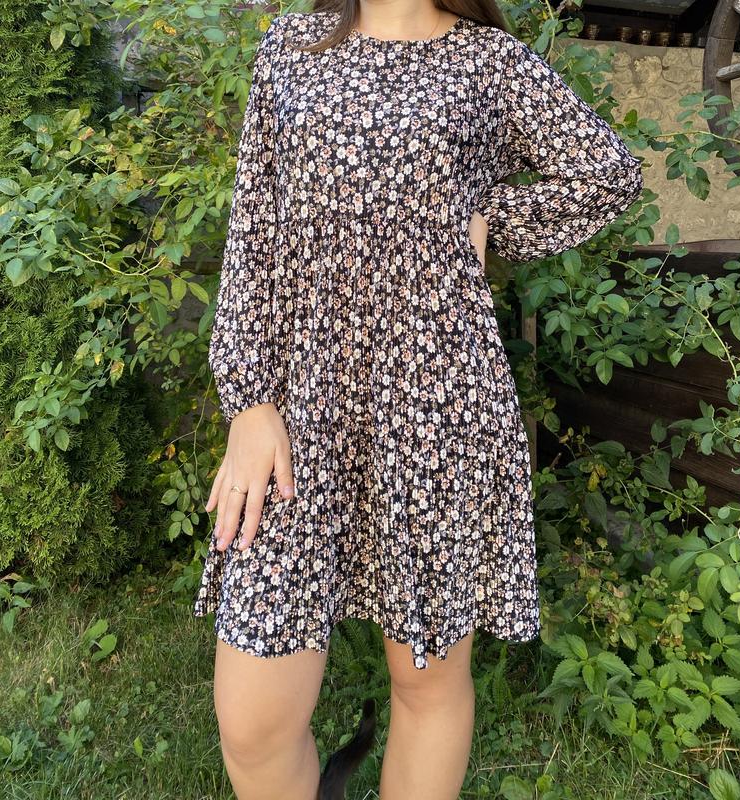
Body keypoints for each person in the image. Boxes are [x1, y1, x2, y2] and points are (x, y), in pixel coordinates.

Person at [193, 2, 644, 798]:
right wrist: (249, 402)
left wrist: (491, 218)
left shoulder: (489, 62)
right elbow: (254, 230)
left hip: (440, 400)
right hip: (299, 403)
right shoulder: (294, 44)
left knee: (426, 679)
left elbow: (607, 174)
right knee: (253, 722)